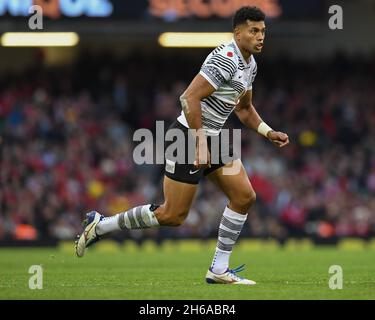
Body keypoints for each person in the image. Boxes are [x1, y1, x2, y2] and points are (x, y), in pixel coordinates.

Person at [75, 6, 289, 285]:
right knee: (171, 215)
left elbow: (245, 109)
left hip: (216, 137)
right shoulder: (225, 58)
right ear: (238, 33)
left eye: (263, 31)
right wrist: (200, 142)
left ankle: (219, 270)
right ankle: (101, 225)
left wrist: (267, 131)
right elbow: (188, 98)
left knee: (244, 196)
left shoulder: (250, 65)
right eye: (254, 31)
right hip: (188, 136)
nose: (261, 36)